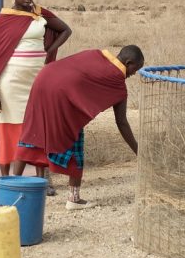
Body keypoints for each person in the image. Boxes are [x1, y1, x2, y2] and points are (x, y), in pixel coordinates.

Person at [12, 45, 144, 210]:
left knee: (32, 132)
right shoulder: (118, 83)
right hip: (60, 93)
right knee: (74, 136)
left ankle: (10, 189)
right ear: (128, 62)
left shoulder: (96, 54)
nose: (133, 74)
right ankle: (73, 199)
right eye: (135, 69)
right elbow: (121, 122)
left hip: (43, 79)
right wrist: (139, 152)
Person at [0, 0, 72, 185]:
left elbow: (65, 30)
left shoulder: (39, 14)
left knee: (38, 128)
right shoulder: (3, 19)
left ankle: (41, 181)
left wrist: (48, 52)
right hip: (11, 82)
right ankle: (7, 181)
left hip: (37, 81)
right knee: (8, 130)